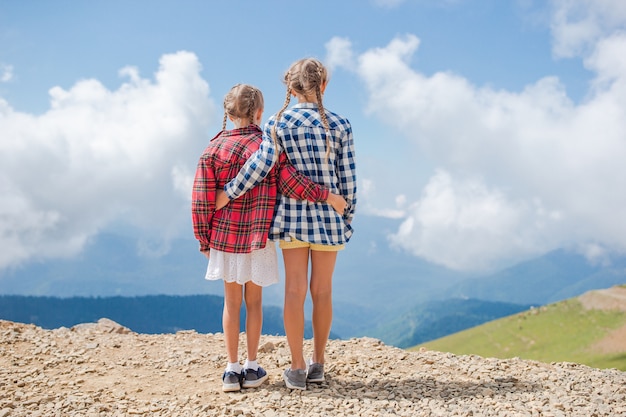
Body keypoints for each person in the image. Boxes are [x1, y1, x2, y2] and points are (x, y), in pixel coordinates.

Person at [191, 83, 346, 392]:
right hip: (257, 238)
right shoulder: (266, 144)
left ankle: (231, 370)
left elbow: (201, 199)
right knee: (255, 302)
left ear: (228, 112)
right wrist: (325, 195)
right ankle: (251, 367)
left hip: (223, 239)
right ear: (260, 112)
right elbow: (290, 181)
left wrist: (203, 239)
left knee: (231, 304)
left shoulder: (212, 149)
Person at [223, 58, 357, 390]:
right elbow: (349, 180)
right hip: (329, 220)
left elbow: (260, 165)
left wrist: (228, 192)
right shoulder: (340, 124)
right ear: (323, 87)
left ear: (290, 88)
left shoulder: (278, 123)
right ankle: (318, 364)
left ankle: (296, 368)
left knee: (294, 291)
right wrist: (347, 215)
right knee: (322, 291)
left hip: (291, 221)